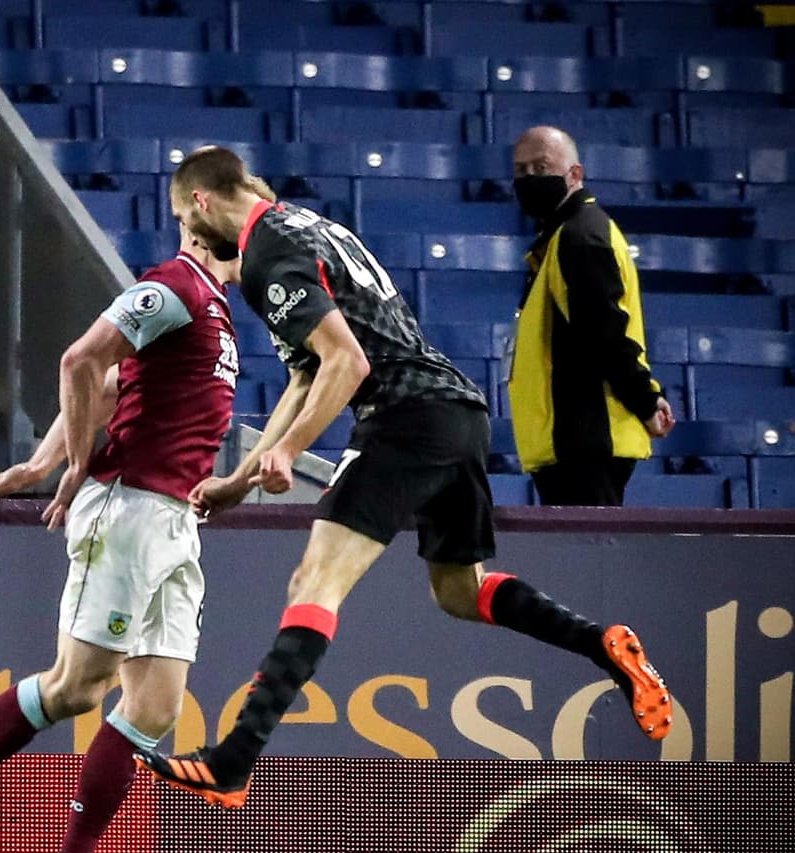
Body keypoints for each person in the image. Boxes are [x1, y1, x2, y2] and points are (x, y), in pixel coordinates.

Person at [135, 146, 673, 809]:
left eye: (184, 221)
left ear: (201, 201)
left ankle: (233, 760)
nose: (190, 239)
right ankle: (602, 643)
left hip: (404, 416)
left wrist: (289, 451)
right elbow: (307, 373)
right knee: (459, 589)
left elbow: (347, 363)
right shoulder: (310, 225)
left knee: (315, 580)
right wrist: (245, 475)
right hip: (456, 412)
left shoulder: (268, 253)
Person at [0, 224, 243, 853]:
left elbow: (112, 390)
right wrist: (63, 464)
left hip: (175, 521)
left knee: (156, 708)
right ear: (207, 216)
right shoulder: (174, 288)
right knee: (76, 687)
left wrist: (42, 461)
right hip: (128, 508)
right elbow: (82, 361)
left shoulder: (217, 311)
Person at [508, 125, 675, 506]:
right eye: (521, 171)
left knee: (588, 557)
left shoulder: (580, 237)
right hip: (573, 441)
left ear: (575, 174)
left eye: (542, 167)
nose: (531, 179)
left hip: (585, 440)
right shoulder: (563, 235)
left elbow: (605, 333)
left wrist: (646, 401)